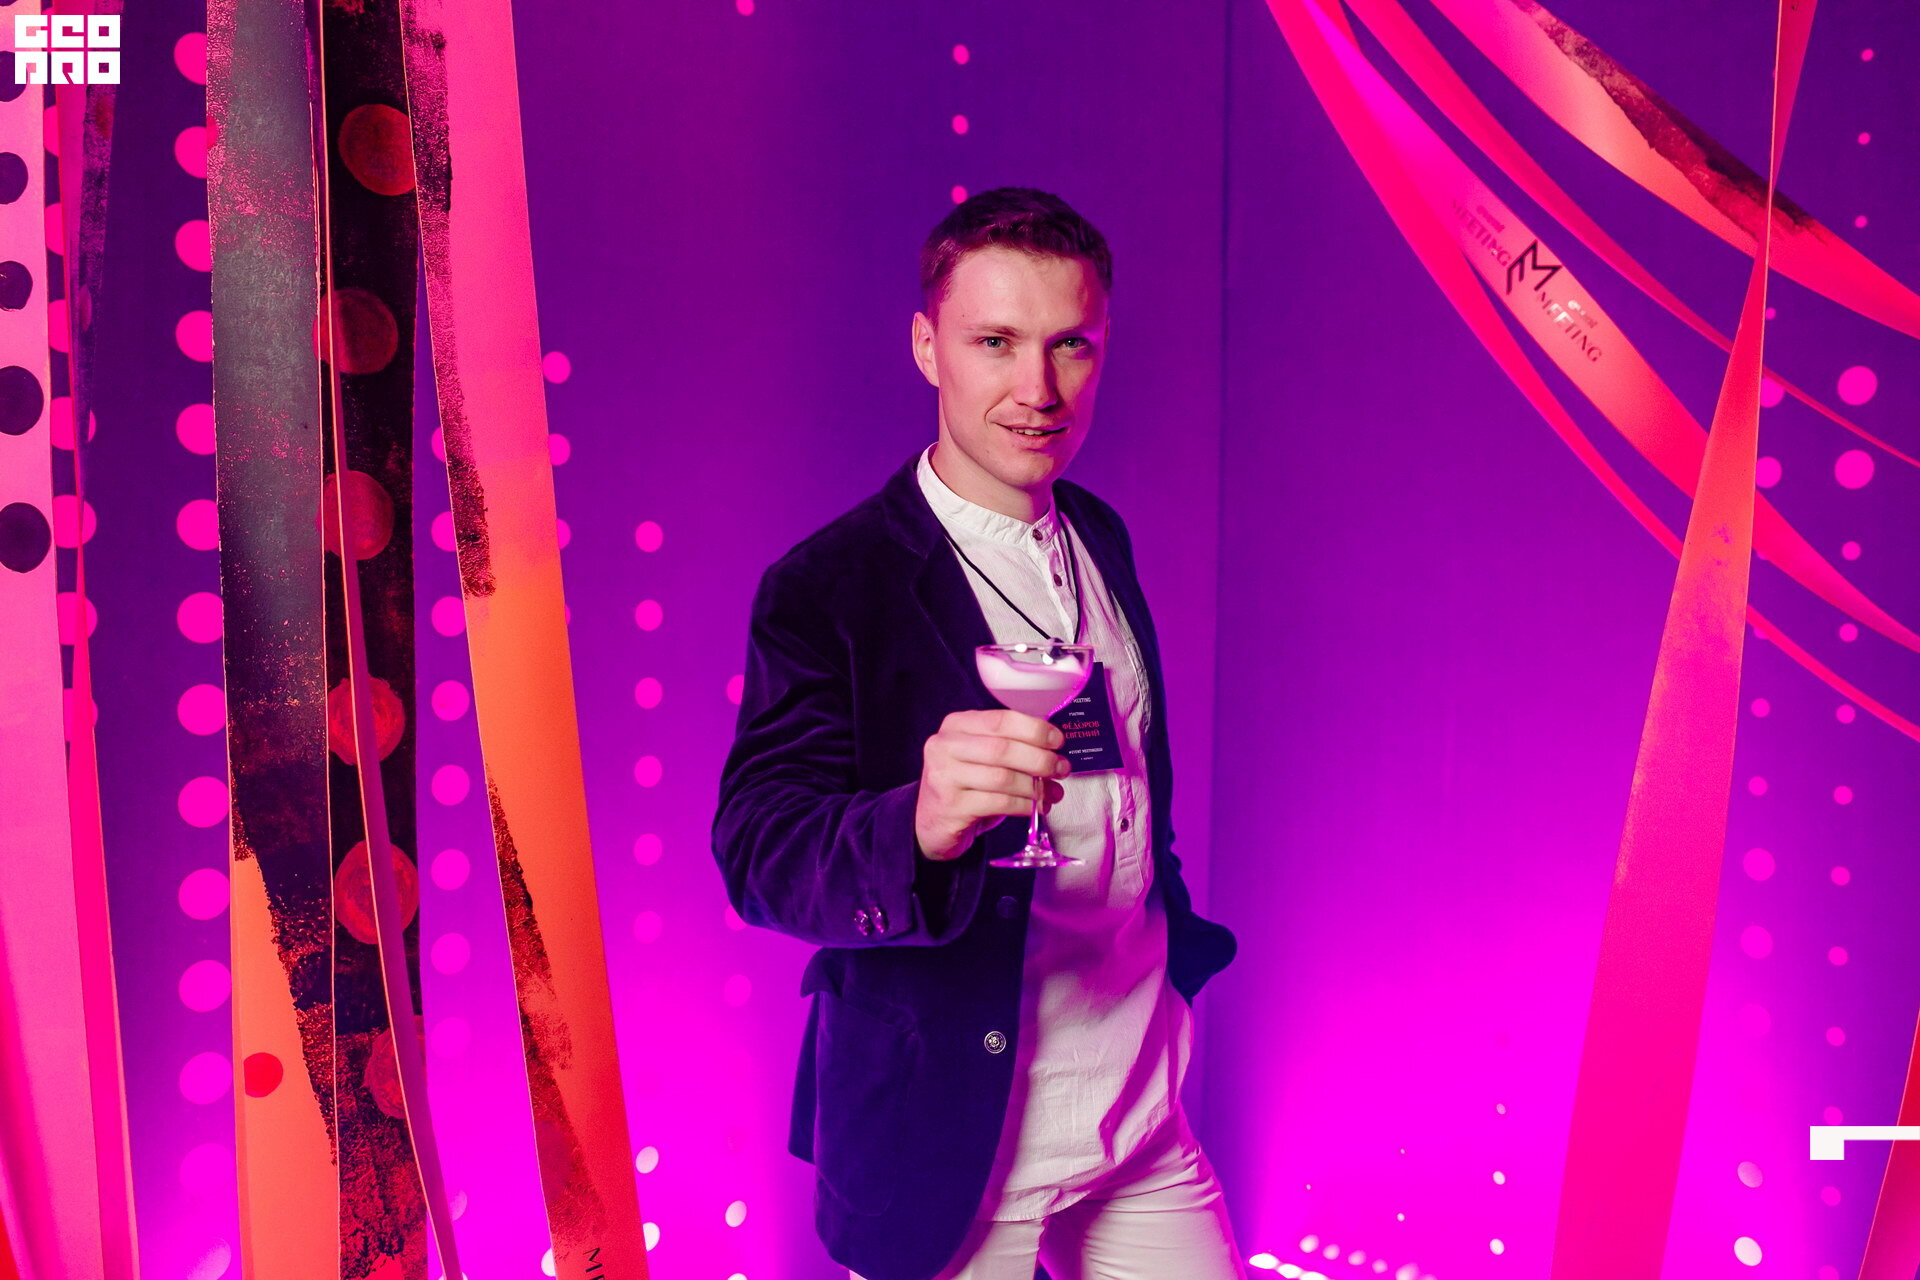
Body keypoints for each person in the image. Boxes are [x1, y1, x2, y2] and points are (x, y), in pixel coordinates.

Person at [711, 188, 1242, 1280]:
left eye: (1070, 345)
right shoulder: (828, 585)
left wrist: (1174, 978)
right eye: (994, 342)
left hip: (1140, 1115)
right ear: (928, 347)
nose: (1037, 389)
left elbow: (1134, 787)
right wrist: (918, 822)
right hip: (948, 1138)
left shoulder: (1098, 531)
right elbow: (758, 853)